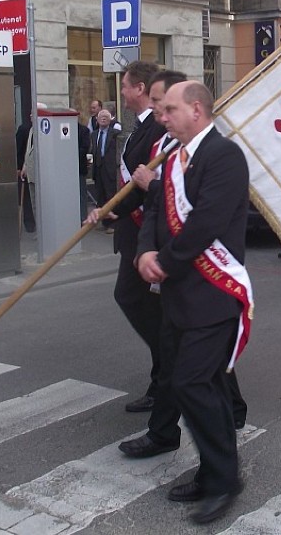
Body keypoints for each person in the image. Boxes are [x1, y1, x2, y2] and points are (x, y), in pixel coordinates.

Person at [129, 80, 251, 524]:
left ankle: (223, 480)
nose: (163, 117)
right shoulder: (173, 156)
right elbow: (158, 211)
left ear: (196, 110)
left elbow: (205, 225)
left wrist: (165, 261)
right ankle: (215, 471)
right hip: (179, 296)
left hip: (212, 295)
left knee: (191, 384)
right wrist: (144, 250)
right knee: (207, 386)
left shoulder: (224, 157)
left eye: (171, 110)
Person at [87, 61, 164, 413]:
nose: (121, 91)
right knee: (144, 303)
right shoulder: (135, 128)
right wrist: (108, 210)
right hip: (132, 227)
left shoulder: (156, 132)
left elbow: (148, 181)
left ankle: (170, 368)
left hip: (146, 233)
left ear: (141, 89)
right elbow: (131, 181)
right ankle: (166, 371)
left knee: (134, 298)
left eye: (126, 85)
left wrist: (118, 207)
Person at [91, 109, 120, 232]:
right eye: (101, 117)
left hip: (110, 169)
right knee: (101, 196)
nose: (103, 119)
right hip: (98, 168)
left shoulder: (115, 133)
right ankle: (104, 221)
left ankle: (113, 224)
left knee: (111, 195)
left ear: (110, 120)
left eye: (106, 117)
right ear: (97, 120)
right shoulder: (94, 134)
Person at [15, 117, 36, 233]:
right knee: (28, 197)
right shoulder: (24, 129)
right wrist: (19, 167)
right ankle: (29, 223)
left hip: (40, 171)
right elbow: (19, 149)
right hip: (26, 169)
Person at [77, 118, 91, 222]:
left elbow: (85, 147)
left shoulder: (83, 130)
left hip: (79, 167)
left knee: (81, 193)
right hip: (64, 169)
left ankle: (83, 217)